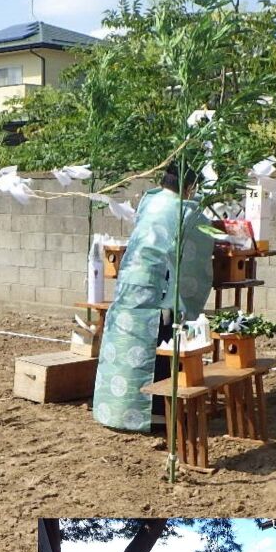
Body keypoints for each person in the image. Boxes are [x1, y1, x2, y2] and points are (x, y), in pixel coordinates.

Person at [92, 163, 214, 433]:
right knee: (158, 348)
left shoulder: (150, 200)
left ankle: (113, 409)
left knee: (125, 346)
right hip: (159, 287)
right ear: (190, 186)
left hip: (131, 281)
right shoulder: (186, 210)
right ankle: (157, 414)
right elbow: (202, 242)